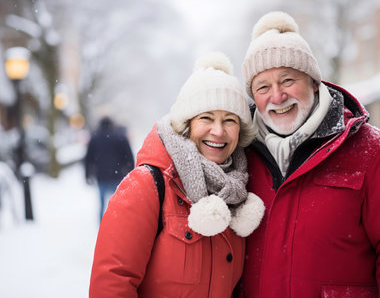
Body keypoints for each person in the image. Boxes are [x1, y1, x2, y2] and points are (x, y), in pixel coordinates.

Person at [238, 11, 380, 297]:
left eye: (288, 80)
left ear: (314, 83)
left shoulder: (372, 150)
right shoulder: (239, 154)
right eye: (263, 87)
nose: (277, 96)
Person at [89, 52, 265, 297]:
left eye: (230, 120)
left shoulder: (239, 193)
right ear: (187, 124)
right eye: (206, 118)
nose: (218, 130)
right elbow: (112, 282)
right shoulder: (147, 185)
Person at [84, 116, 134, 222]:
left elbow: (89, 158)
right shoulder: (120, 136)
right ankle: (119, 221)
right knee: (118, 202)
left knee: (102, 201)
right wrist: (131, 173)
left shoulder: (95, 137)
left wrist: (87, 174)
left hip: (101, 176)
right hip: (117, 175)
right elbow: (129, 156)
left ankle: (102, 223)